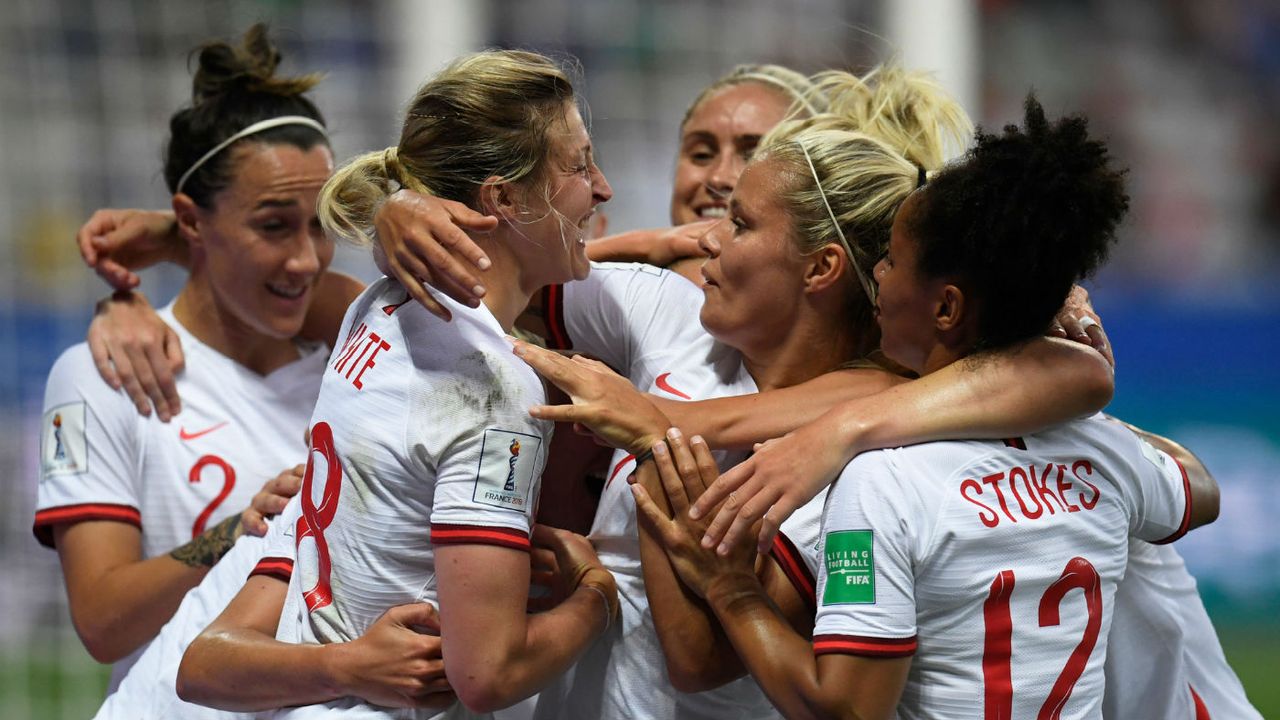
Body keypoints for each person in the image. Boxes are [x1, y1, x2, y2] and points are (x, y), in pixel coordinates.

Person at [377, 66, 1119, 720]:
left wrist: (665, 452)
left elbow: (701, 663)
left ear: (822, 269)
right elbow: (507, 267)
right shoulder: (670, 318)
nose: (707, 239)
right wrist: (395, 213)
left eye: (739, 223)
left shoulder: (873, 460)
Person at [632, 96, 1219, 719]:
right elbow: (1200, 490)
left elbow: (847, 711)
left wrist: (731, 591)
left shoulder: (881, 482)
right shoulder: (1102, 451)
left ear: (945, 309)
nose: (877, 272)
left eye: (894, 260)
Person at [193, 49, 619, 719]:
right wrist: (598, 594)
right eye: (578, 164)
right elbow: (485, 675)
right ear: (503, 198)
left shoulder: (377, 306)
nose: (602, 187)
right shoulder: (495, 389)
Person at [31, 23, 366, 693]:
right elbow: (101, 621)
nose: (306, 258)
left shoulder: (356, 357)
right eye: (274, 226)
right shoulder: (104, 374)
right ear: (191, 219)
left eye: (321, 224)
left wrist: (175, 246)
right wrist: (239, 533)